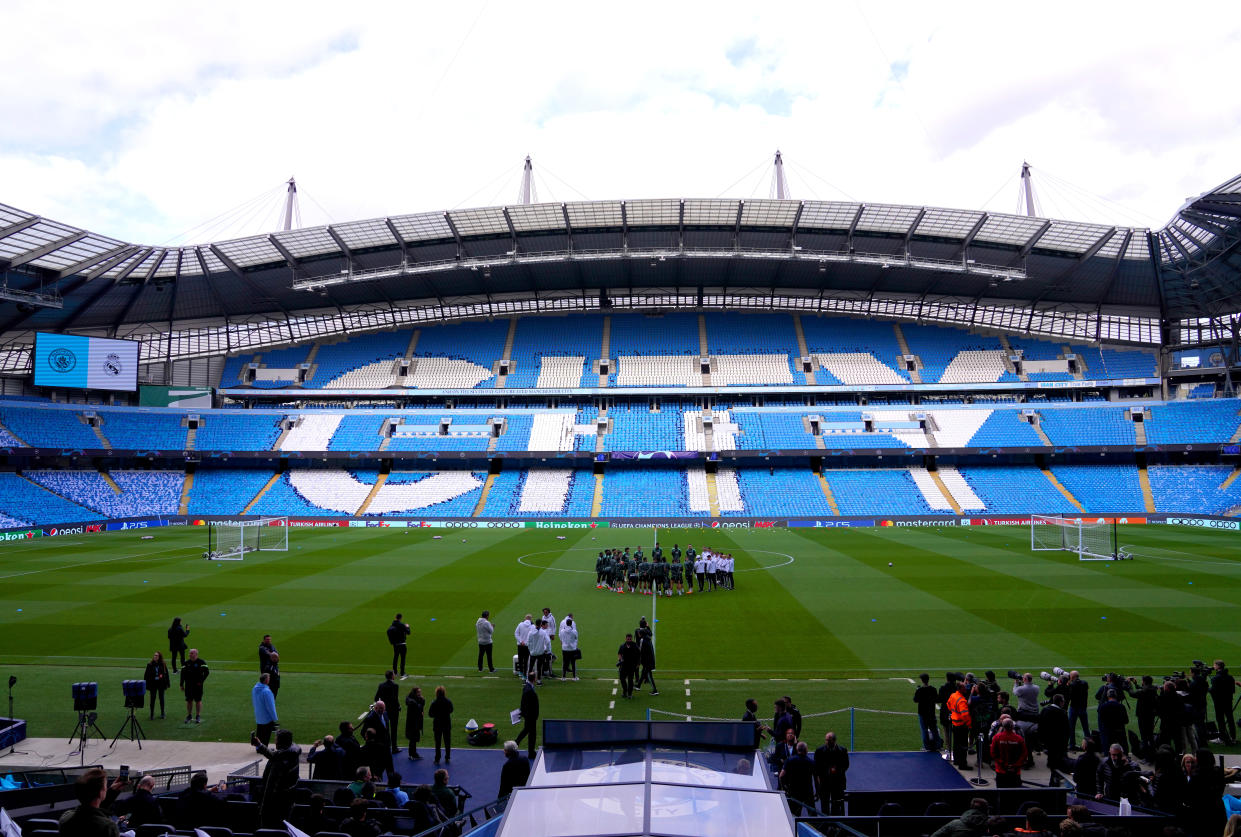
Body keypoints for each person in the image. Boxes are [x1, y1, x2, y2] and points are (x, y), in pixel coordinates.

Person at [252, 727, 301, 827]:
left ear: (281, 742)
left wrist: (264, 806)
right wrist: (259, 745)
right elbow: (273, 755)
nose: (275, 740)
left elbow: (274, 756)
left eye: (276, 739)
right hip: (285, 801)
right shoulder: (290, 753)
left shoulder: (282, 759)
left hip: (275, 804)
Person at [60, 767, 124, 837]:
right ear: (100, 793)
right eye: (105, 787)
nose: (106, 789)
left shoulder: (65, 818)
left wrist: (112, 792)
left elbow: (90, 811)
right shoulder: (108, 827)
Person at [813, 731, 849, 815]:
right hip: (824, 783)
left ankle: (835, 825)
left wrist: (836, 770)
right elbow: (816, 767)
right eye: (826, 740)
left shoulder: (843, 750)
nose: (826, 742)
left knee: (836, 805)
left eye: (828, 740)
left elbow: (846, 765)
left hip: (838, 783)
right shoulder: (819, 751)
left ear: (834, 740)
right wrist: (827, 771)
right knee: (824, 805)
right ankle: (826, 824)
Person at [989, 717, 1027, 788]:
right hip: (1015, 771)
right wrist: (1016, 765)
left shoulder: (997, 737)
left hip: (1001, 770)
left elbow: (993, 753)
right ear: (1012, 726)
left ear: (1003, 726)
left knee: (1001, 792)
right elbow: (1024, 754)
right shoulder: (1019, 738)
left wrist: (1001, 763)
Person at [360, 702, 394, 781]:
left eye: (383, 708)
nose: (382, 710)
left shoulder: (385, 714)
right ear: (375, 708)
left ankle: (392, 782)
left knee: (390, 768)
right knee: (379, 770)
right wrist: (373, 743)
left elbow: (386, 730)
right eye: (380, 708)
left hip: (386, 746)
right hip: (378, 749)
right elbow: (363, 732)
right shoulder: (370, 718)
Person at [779, 741, 815, 815]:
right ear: (806, 750)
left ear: (797, 749)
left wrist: (785, 788)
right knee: (812, 814)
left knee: (794, 814)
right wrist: (817, 791)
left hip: (793, 791)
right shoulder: (811, 762)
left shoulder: (789, 760)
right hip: (807, 791)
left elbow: (781, 776)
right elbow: (816, 778)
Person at [1037, 694, 1070, 770]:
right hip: (1058, 738)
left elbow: (1040, 723)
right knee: (1057, 753)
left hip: (1046, 737)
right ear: (1060, 702)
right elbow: (1066, 728)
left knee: (1051, 751)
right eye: (1063, 701)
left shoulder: (1045, 710)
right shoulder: (1062, 713)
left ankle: (1050, 763)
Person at [913, 673, 943, 751]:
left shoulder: (920, 690)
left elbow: (915, 700)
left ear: (922, 680)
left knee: (924, 730)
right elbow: (937, 699)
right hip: (931, 712)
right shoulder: (933, 689)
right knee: (934, 729)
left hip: (922, 713)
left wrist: (917, 690)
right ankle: (938, 745)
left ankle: (926, 746)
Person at [179, 648, 208, 723]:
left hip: (198, 685)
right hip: (188, 685)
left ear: (196, 654)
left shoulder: (201, 662)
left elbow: (207, 672)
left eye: (192, 653)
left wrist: (201, 681)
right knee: (189, 700)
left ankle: (198, 715)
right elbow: (182, 674)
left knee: (198, 700)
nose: (190, 654)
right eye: (189, 653)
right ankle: (189, 715)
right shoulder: (186, 663)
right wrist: (181, 684)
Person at [375, 670, 402, 754]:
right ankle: (394, 748)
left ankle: (386, 747)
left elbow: (376, 698)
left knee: (385, 730)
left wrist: (382, 704)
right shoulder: (395, 686)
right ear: (392, 676)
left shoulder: (381, 685)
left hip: (384, 711)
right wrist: (398, 706)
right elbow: (395, 698)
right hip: (394, 710)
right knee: (394, 730)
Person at [1212, 659, 1238, 745]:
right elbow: (1233, 691)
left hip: (1219, 702)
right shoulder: (1230, 677)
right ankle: (1233, 738)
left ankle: (1222, 738)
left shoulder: (1215, 678)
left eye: (1215, 665)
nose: (1213, 666)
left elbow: (1214, 691)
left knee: (1220, 720)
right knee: (1230, 719)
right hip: (1228, 701)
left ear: (1218, 666)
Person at [947, 681, 971, 769]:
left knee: (956, 744)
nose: (966, 688)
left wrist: (954, 713)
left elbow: (948, 704)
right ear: (960, 689)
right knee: (963, 746)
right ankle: (962, 764)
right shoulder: (962, 701)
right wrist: (969, 724)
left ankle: (956, 760)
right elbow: (965, 714)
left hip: (955, 723)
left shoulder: (953, 695)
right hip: (962, 725)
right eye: (964, 687)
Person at [1096, 688, 1129, 753]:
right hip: (1120, 731)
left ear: (1107, 696)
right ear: (1116, 696)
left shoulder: (1103, 706)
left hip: (1108, 732)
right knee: (1124, 748)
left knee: (1107, 749)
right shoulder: (1121, 706)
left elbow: (1101, 719)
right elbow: (1126, 721)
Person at [251, 672, 279, 747]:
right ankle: (263, 748)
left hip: (258, 714)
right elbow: (270, 706)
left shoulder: (254, 688)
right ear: (266, 680)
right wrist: (274, 717)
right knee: (266, 735)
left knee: (260, 732)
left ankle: (257, 746)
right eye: (269, 678)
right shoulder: (267, 692)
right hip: (266, 717)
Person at [514, 680, 540, 759]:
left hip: (529, 715)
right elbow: (526, 703)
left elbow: (523, 702)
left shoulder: (527, 687)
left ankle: (516, 743)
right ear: (534, 679)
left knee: (527, 731)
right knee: (532, 735)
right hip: (530, 716)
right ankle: (530, 752)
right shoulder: (529, 690)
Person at [429, 685, 453, 764]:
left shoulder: (434, 702)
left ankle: (437, 758)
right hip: (446, 723)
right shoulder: (448, 701)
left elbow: (430, 714)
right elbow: (451, 710)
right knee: (447, 741)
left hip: (437, 724)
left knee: (438, 742)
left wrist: (437, 715)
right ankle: (447, 757)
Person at [1066, 670, 1091, 746]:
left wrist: (1068, 684)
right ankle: (1089, 745)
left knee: (1071, 727)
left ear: (1072, 677)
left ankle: (1072, 745)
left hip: (1074, 708)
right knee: (1085, 728)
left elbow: (1069, 695)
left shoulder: (1071, 685)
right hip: (1083, 708)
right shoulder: (1085, 683)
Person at [143, 651, 169, 720]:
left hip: (161, 683)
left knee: (161, 698)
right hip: (153, 684)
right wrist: (146, 685)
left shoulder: (163, 664)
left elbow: (166, 674)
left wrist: (167, 683)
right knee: (152, 698)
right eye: (154, 655)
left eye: (156, 655)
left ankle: (162, 713)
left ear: (159, 657)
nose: (155, 656)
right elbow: (146, 675)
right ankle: (151, 714)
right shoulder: (150, 664)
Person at [636, 617, 658, 696]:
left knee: (649, 675)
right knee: (643, 672)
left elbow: (640, 651)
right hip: (650, 659)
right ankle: (638, 686)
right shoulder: (648, 638)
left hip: (647, 661)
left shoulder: (642, 640)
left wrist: (639, 660)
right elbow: (650, 633)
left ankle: (655, 690)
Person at [526, 619, 550, 685]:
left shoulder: (531, 632)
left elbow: (527, 642)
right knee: (539, 668)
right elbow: (548, 641)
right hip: (540, 653)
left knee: (530, 667)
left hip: (533, 653)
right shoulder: (543, 632)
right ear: (541, 624)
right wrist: (546, 649)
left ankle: (528, 680)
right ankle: (539, 681)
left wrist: (530, 650)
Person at [388, 614, 411, 679]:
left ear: (395, 617)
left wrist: (392, 642)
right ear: (400, 618)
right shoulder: (402, 625)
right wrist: (407, 627)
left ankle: (395, 672)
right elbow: (408, 632)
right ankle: (402, 673)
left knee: (395, 657)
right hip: (402, 644)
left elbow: (388, 631)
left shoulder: (392, 625)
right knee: (402, 659)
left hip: (395, 645)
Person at [405, 684, 425, 760]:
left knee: (414, 739)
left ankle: (413, 753)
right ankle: (412, 754)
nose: (420, 694)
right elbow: (419, 707)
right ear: (415, 693)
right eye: (419, 692)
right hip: (413, 722)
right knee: (412, 739)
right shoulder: (412, 701)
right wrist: (421, 701)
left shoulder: (412, 699)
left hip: (414, 722)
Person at [617, 633, 639, 699]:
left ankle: (629, 694)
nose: (629, 640)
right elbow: (619, 654)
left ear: (631, 639)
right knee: (622, 678)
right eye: (628, 639)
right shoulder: (622, 646)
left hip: (631, 666)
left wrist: (638, 663)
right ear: (626, 638)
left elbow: (638, 654)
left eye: (630, 639)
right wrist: (620, 660)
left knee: (630, 680)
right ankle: (625, 691)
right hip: (623, 665)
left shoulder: (635, 645)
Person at [560, 615, 580, 680]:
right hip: (572, 649)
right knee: (573, 663)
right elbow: (576, 638)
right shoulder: (574, 631)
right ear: (571, 623)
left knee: (564, 663)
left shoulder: (562, 631)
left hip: (564, 649)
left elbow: (561, 638)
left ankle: (563, 677)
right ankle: (574, 677)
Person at [514, 614, 534, 680]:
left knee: (520, 658)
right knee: (526, 660)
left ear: (525, 618)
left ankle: (520, 672)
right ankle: (524, 675)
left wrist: (520, 641)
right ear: (530, 619)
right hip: (527, 646)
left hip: (520, 645)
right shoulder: (532, 626)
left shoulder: (520, 624)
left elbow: (516, 633)